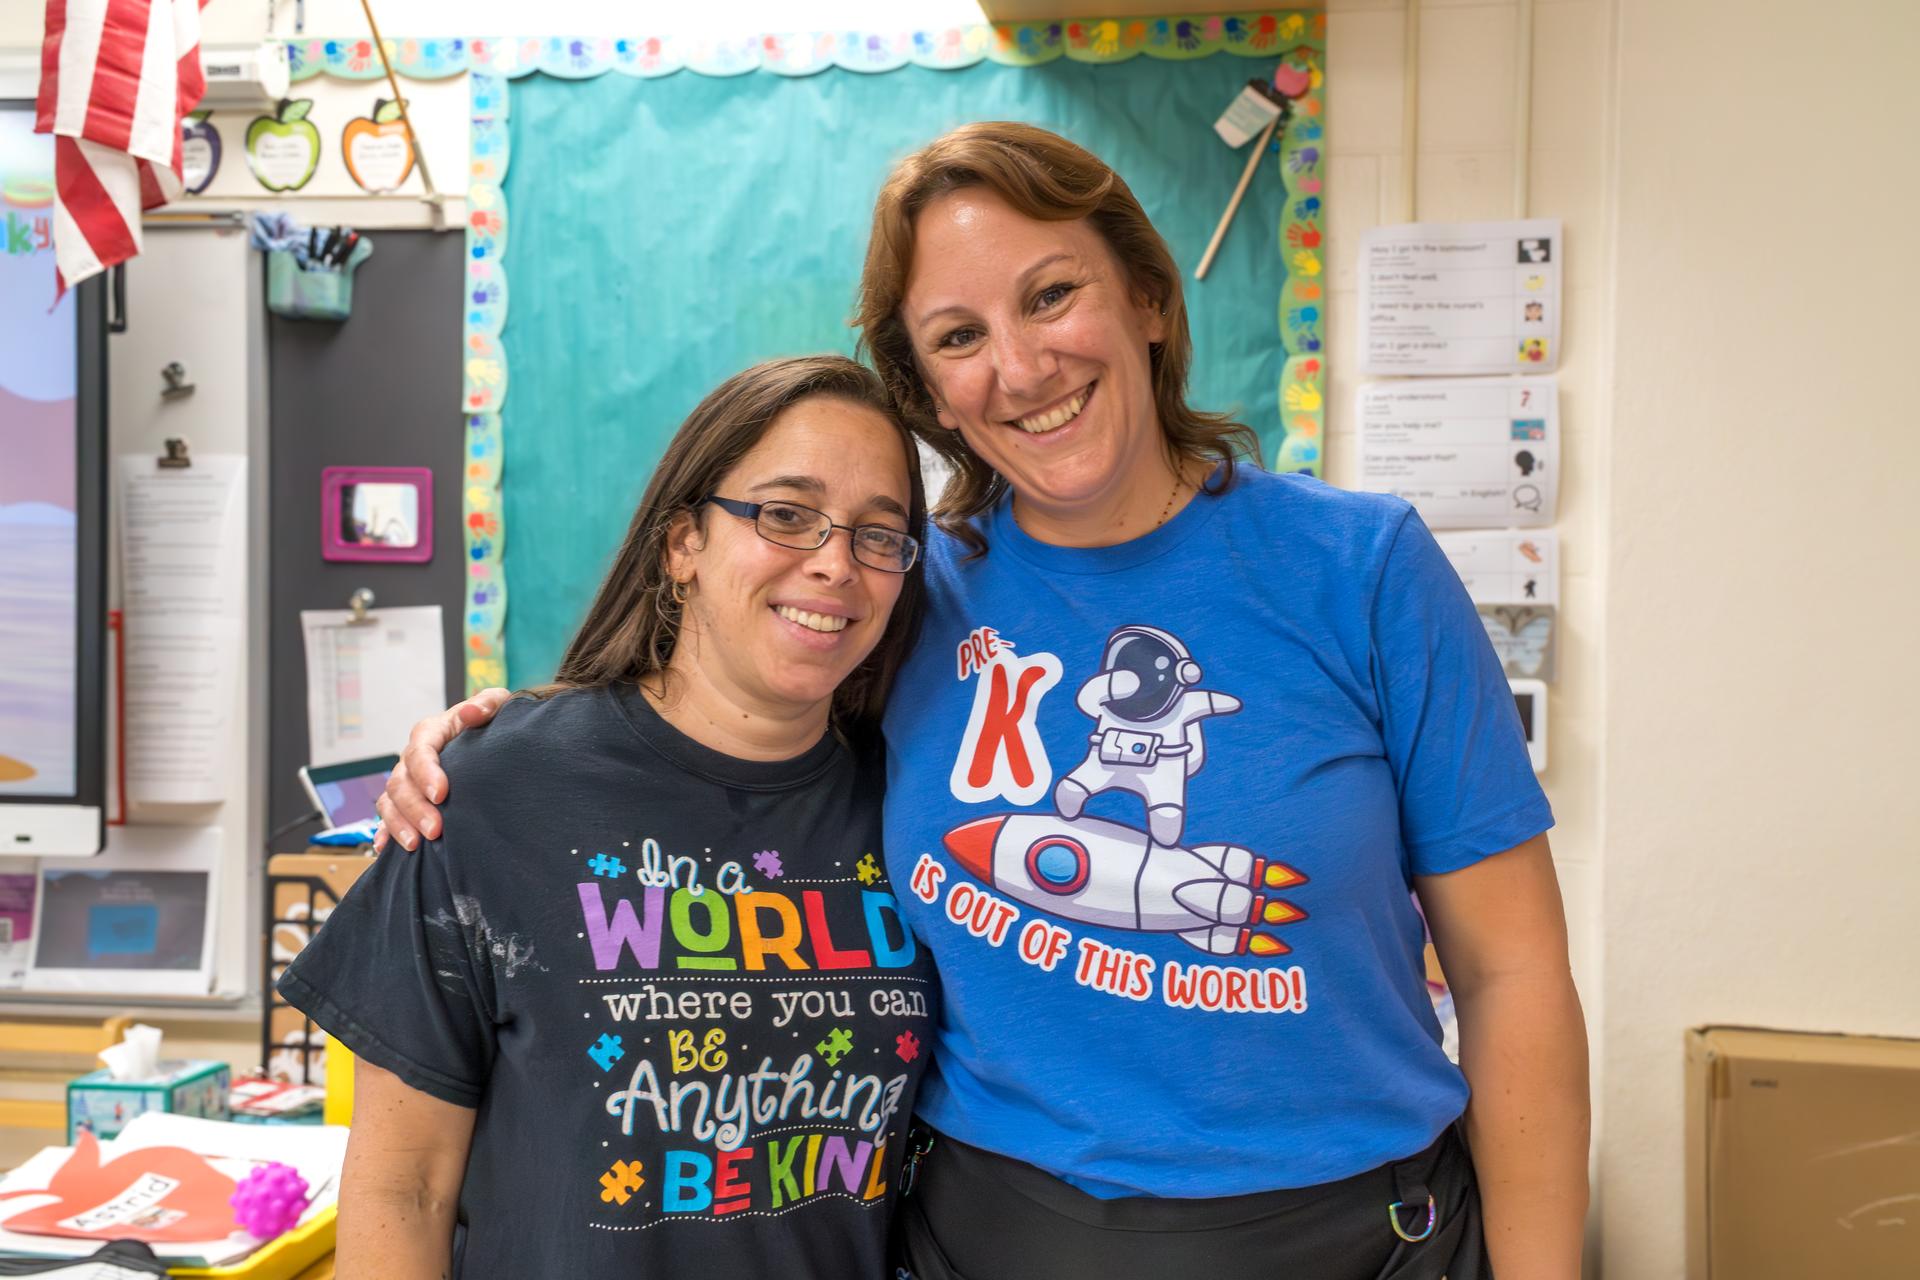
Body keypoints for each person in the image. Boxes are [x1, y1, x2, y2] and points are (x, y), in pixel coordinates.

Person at [379, 124, 1589, 1278]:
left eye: (1053, 294)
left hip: (1354, 1237)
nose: (1019, 367)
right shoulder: (901, 591)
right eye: (958, 335)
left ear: (1150, 301)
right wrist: (492, 745)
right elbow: (713, 725)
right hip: (992, 1234)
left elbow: (1511, 974)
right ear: (927, 389)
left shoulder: (1359, 568)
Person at [279, 356, 937, 1278]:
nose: (834, 562)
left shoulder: (919, 805)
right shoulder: (492, 792)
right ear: (683, 545)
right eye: (786, 514)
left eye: (880, 535)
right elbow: (405, 1188)